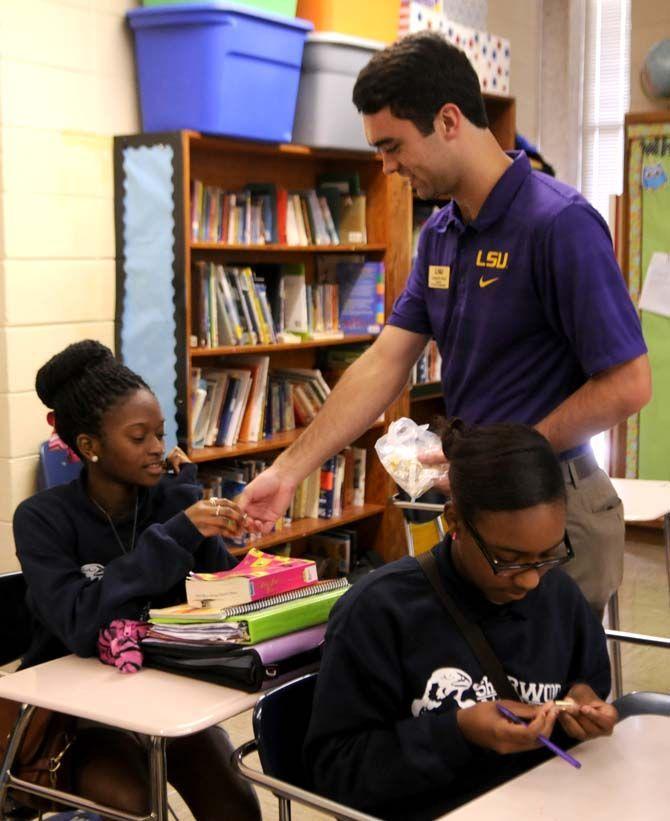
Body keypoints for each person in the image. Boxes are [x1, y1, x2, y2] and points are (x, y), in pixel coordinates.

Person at [239, 31, 651, 617]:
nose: (385, 165)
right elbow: (383, 363)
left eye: (392, 145)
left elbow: (629, 385)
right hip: (477, 505)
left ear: (450, 119)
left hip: (553, 504)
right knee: (468, 694)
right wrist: (286, 472)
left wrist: (506, 457)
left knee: (542, 703)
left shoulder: (560, 224)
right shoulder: (440, 234)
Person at [304, 420, 617, 820]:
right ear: (454, 523)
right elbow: (335, 774)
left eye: (549, 554)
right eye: (507, 559)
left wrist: (585, 705)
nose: (531, 578)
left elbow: (587, 682)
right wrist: (457, 732)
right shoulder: (380, 612)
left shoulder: (558, 595)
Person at [12, 340, 260, 821]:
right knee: (136, 806)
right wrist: (176, 533)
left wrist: (190, 504)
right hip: (75, 714)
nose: (155, 449)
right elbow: (80, 623)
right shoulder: (42, 518)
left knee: (235, 803)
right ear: (90, 446)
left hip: (162, 693)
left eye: (160, 434)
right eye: (138, 437)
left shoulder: (169, 502)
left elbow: (219, 597)